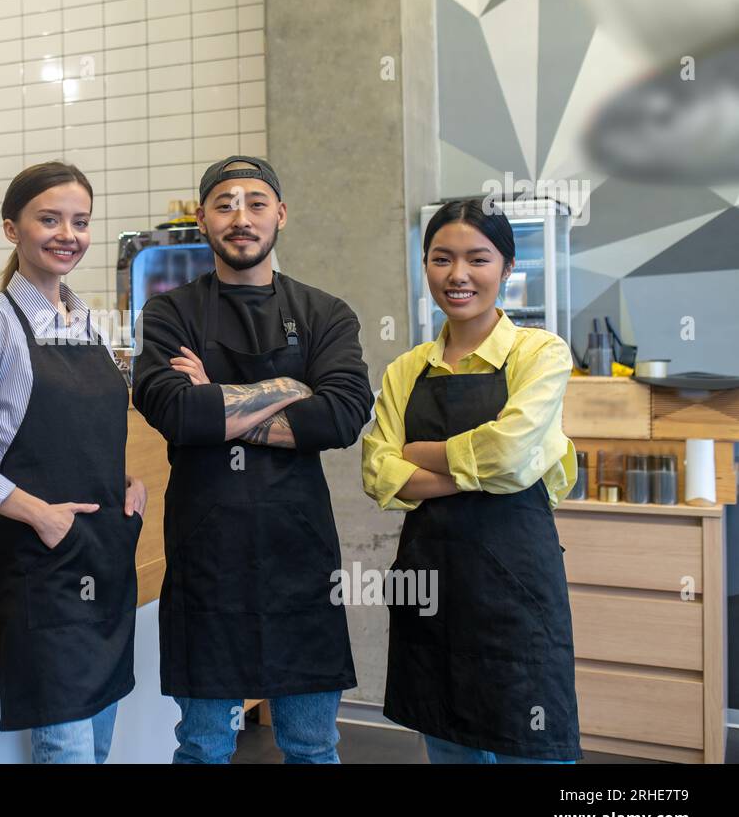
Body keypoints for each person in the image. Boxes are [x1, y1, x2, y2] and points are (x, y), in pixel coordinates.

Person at [132, 156, 373, 763]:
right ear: (203, 218)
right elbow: (174, 412)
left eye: (256, 202)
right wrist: (293, 390)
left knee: (313, 746)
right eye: (224, 203)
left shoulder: (326, 313)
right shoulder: (169, 313)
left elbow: (343, 415)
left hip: (300, 556)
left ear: (280, 215)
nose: (241, 217)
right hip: (207, 557)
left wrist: (215, 400)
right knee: (204, 745)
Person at [0, 161, 147, 764]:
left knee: (96, 750)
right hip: (45, 572)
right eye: (49, 219)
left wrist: (123, 484)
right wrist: (39, 514)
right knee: (66, 750)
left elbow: (80, 434)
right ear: (13, 229)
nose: (68, 233)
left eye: (80, 221)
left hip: (108, 560)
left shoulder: (89, 324)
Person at [362, 197, 582, 764]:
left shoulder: (540, 352)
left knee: (531, 743)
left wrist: (423, 455)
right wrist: (483, 473)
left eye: (477, 259)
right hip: (431, 587)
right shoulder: (405, 370)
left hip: (516, 589)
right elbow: (380, 474)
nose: (458, 276)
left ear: (507, 268)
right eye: (442, 259)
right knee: (449, 746)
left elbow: (510, 453)